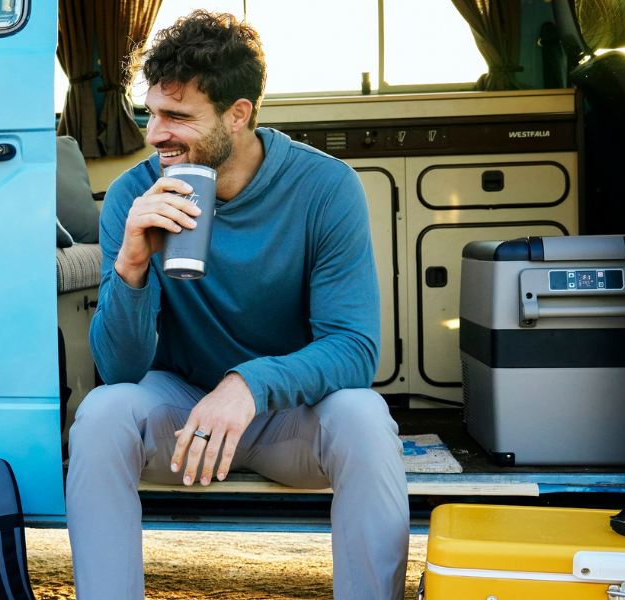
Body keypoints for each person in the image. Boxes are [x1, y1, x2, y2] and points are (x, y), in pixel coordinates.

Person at [65, 11, 408, 600]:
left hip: (286, 418)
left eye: (178, 117)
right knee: (100, 414)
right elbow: (119, 371)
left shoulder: (326, 189)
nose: (154, 134)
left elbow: (354, 349)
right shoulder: (133, 194)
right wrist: (130, 267)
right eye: (152, 112)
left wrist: (248, 385)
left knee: (365, 419)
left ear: (239, 114)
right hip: (184, 416)